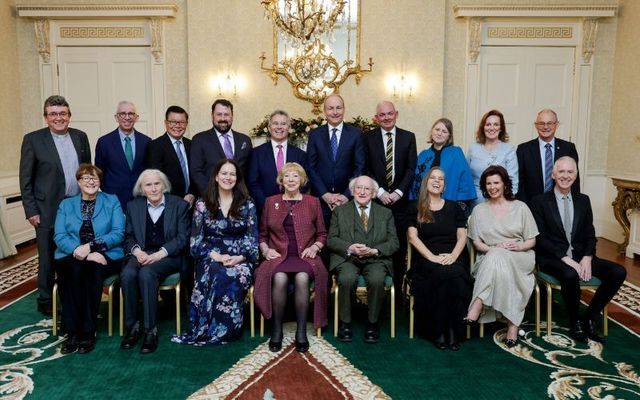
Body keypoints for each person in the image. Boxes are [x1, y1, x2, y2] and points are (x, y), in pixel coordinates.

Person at [531, 157, 626, 343]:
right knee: (569, 274)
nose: (565, 176)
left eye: (570, 172)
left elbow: (590, 233)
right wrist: (566, 259)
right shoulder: (540, 201)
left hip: (580, 255)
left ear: (575, 175)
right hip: (553, 258)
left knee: (618, 271)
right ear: (553, 174)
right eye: (561, 171)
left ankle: (589, 317)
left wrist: (588, 257)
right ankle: (574, 322)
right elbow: (540, 238)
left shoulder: (583, 200)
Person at [173, 159, 258, 345]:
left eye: (232, 174)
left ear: (238, 178)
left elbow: (253, 240)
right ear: (217, 177)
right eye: (224, 173)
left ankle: (228, 330)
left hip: (241, 257)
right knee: (217, 271)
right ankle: (209, 329)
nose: (228, 177)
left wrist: (239, 258)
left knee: (231, 274)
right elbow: (195, 242)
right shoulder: (203, 204)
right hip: (209, 255)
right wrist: (217, 256)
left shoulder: (248, 204)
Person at [20, 95, 91, 315]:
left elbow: (87, 171)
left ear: (69, 116)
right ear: (46, 117)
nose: (58, 118)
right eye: (53, 114)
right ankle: (45, 301)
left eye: (62, 113)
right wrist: (31, 210)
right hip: (46, 209)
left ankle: (74, 295)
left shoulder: (80, 137)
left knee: (76, 252)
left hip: (76, 207)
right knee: (48, 258)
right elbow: (26, 178)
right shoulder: (33, 140)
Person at [254, 163, 327, 353]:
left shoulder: (313, 202)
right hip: (278, 255)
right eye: (287, 176)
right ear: (281, 180)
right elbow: (262, 235)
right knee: (279, 278)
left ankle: (301, 333)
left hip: (305, 256)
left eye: (296, 176)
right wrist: (265, 250)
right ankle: (276, 330)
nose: (291, 180)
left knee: (303, 278)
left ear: (302, 180)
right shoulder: (271, 202)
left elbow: (322, 234)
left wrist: (315, 247)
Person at [53, 164, 124, 354]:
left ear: (100, 182)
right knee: (71, 272)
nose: (91, 181)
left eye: (95, 178)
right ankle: (72, 331)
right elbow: (59, 236)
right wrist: (79, 250)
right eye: (86, 178)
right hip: (70, 254)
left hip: (105, 254)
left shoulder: (112, 201)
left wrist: (91, 248)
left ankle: (87, 331)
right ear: (78, 182)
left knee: (91, 270)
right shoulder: (66, 204)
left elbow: (118, 233)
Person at [464, 165, 538, 347]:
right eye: (488, 183)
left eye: (496, 182)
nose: (492, 187)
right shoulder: (479, 210)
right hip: (490, 257)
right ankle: (513, 326)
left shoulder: (521, 207)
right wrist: (494, 249)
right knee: (497, 256)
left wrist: (518, 246)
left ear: (505, 184)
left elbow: (531, 241)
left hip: (520, 257)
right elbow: (477, 243)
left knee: (501, 257)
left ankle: (477, 304)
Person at [120, 169, 190, 354]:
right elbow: (128, 237)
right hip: (142, 253)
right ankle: (132, 328)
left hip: (169, 256)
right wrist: (137, 251)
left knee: (147, 273)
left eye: (157, 184)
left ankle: (150, 330)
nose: (153, 188)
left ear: (164, 185)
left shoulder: (179, 205)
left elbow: (183, 238)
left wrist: (160, 253)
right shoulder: (133, 206)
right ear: (142, 189)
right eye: (148, 185)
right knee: (127, 274)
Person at [327, 175, 399, 344]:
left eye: (367, 189)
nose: (362, 191)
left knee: (377, 279)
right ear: (352, 191)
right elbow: (331, 239)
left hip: (375, 259)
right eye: (358, 188)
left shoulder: (386, 213)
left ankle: (372, 323)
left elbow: (394, 242)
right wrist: (350, 248)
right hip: (348, 259)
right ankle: (345, 323)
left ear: (374, 193)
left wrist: (375, 250)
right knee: (346, 278)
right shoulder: (340, 211)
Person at [407, 167, 470, 351]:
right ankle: (439, 331)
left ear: (444, 186)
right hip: (426, 256)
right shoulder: (415, 207)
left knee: (455, 273)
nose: (437, 181)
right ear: (426, 183)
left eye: (441, 179)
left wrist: (453, 256)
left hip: (453, 255)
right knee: (441, 273)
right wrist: (432, 257)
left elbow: (462, 236)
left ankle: (453, 330)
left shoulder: (454, 207)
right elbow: (413, 237)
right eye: (433, 178)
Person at [364, 100, 417, 300]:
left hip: (401, 204)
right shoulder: (367, 138)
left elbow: (411, 168)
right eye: (382, 115)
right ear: (376, 117)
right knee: (376, 243)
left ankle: (397, 296)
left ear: (396, 114)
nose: (386, 117)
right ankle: (375, 292)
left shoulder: (408, 137)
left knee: (398, 247)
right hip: (376, 202)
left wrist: (398, 193)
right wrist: (380, 192)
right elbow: (366, 168)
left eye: (389, 113)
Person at [307, 94, 365, 224]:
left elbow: (359, 167)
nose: (334, 112)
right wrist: (324, 194)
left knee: (347, 240)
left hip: (348, 199)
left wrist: (346, 195)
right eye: (330, 108)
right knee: (321, 239)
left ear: (344, 109)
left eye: (338, 108)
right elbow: (310, 167)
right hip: (320, 199)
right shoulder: (315, 135)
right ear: (325, 111)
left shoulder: (356, 134)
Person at [247, 110, 308, 215]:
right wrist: (267, 204)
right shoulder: (256, 153)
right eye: (275, 123)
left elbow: (305, 182)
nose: (279, 127)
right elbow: (252, 182)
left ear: (289, 128)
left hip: (294, 210)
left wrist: (292, 202)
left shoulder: (300, 154)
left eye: (283, 124)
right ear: (269, 128)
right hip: (265, 210)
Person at [409, 118, 475, 214]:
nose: (439, 133)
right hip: (424, 206)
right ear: (432, 131)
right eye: (437, 130)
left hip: (448, 206)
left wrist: (459, 208)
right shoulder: (423, 155)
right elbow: (414, 181)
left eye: (444, 131)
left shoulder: (456, 152)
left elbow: (465, 182)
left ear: (449, 136)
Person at [95, 101, 151, 210]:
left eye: (131, 114)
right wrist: (108, 192)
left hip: (141, 199)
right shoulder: (104, 142)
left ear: (136, 118)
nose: (127, 117)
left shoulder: (147, 141)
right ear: (116, 117)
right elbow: (99, 172)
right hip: (113, 200)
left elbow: (149, 170)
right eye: (123, 114)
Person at [190, 99, 253, 197]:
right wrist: (212, 195)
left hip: (240, 198)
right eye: (219, 114)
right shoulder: (199, 139)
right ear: (212, 116)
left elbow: (249, 171)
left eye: (226, 114)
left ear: (232, 116)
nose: (223, 118)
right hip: (211, 199)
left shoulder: (245, 140)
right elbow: (196, 171)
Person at [516, 109, 580, 205]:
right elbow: (519, 182)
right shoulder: (523, 149)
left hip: (561, 205)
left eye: (550, 123)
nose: (545, 127)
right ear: (536, 125)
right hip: (532, 206)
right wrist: (524, 207)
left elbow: (574, 179)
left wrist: (574, 205)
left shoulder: (568, 148)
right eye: (541, 123)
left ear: (556, 125)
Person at [145, 105, 196, 206]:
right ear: (166, 123)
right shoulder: (155, 145)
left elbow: (196, 172)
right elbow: (156, 177)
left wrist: (192, 194)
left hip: (191, 203)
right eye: (173, 122)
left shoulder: (192, 145)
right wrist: (177, 201)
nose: (177, 126)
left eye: (182, 122)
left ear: (186, 124)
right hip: (168, 204)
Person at [467, 109, 518, 205]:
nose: (491, 128)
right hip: (475, 201)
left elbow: (513, 180)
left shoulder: (509, 149)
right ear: (483, 127)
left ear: (501, 128)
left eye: (496, 124)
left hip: (500, 202)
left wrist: (507, 203)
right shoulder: (473, 148)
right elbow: (466, 176)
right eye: (488, 124)